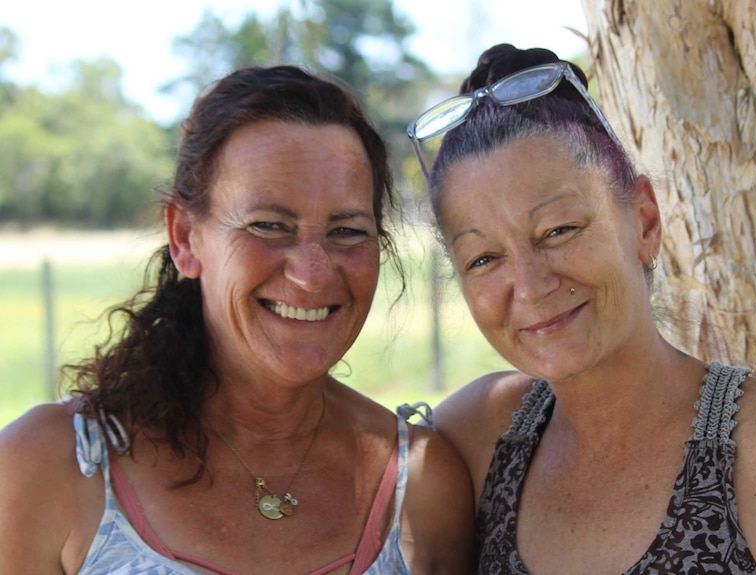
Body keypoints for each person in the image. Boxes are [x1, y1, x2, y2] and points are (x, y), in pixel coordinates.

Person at [407, 43, 756, 574]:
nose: (529, 286)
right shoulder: (473, 441)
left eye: (559, 230)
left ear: (644, 222)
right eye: (484, 258)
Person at [0, 65, 474, 575]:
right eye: (268, 225)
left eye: (347, 230)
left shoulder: (423, 485)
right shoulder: (48, 468)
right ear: (184, 237)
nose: (312, 274)